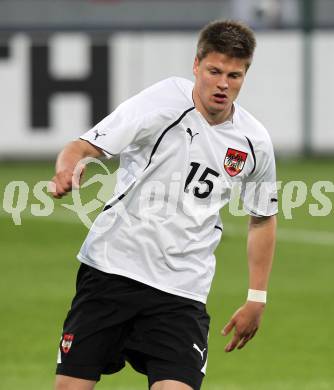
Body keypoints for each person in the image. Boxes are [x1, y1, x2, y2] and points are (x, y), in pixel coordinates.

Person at [51, 20, 277, 390]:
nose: (223, 84)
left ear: (245, 75)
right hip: (111, 270)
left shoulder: (255, 142)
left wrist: (257, 297)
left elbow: (262, 218)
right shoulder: (160, 102)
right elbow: (84, 147)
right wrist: (66, 170)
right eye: (214, 71)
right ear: (196, 65)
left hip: (181, 291)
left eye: (234, 76)